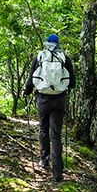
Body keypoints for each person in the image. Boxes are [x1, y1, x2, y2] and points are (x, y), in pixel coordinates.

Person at [22, 34, 76, 182]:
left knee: (43, 129)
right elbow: (72, 83)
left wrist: (26, 92)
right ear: (58, 44)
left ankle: (43, 160)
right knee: (56, 135)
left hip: (43, 99)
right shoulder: (65, 58)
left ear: (47, 44)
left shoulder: (39, 57)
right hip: (59, 99)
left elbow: (31, 79)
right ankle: (58, 174)